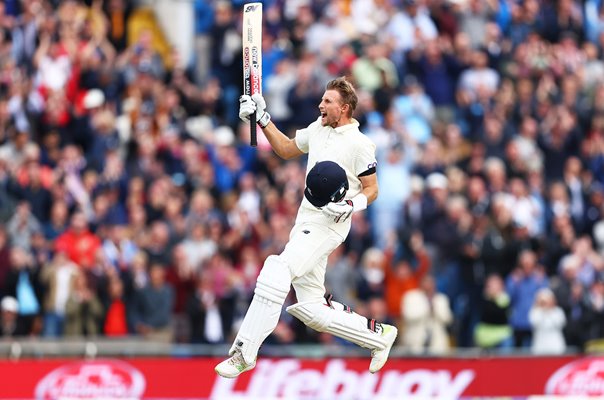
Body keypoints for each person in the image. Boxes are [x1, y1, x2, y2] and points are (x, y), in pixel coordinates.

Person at [215, 77, 397, 378]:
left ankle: (243, 352)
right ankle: (378, 335)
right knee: (311, 308)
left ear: (345, 108)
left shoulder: (361, 144)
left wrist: (352, 205)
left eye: (327, 102)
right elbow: (286, 149)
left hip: (331, 222)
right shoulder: (318, 128)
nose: (320, 105)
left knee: (277, 269)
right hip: (306, 220)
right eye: (322, 100)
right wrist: (262, 118)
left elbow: (372, 189)